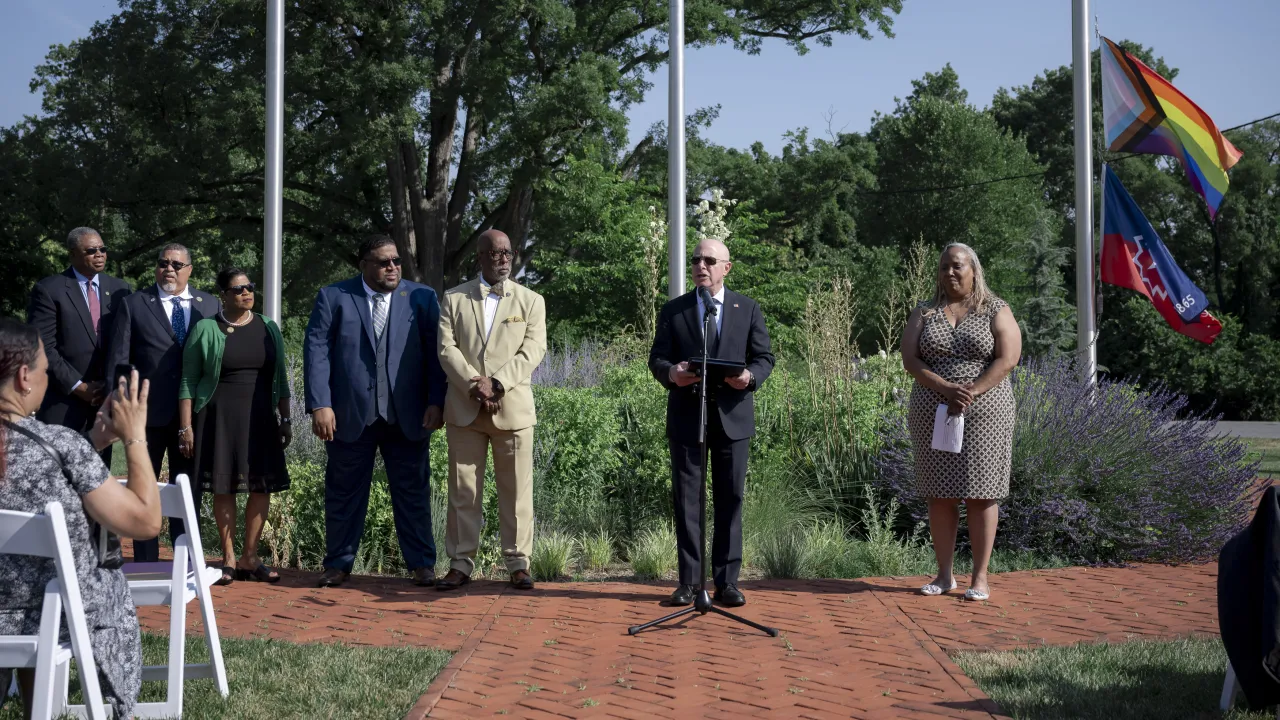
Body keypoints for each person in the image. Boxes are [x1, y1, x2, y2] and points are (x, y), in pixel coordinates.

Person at [0, 317, 160, 719]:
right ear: (24, 377)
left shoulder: (68, 448)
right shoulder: (60, 446)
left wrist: (93, 444)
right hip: (58, 615)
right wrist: (134, 436)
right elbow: (144, 522)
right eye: (45, 371)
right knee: (85, 582)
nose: (46, 379)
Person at [304, 235, 447, 588]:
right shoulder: (334, 296)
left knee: (413, 492)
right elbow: (316, 350)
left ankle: (422, 564)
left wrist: (437, 401)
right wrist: (320, 404)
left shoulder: (421, 298)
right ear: (363, 264)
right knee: (343, 492)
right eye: (383, 262)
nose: (392, 267)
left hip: (408, 415)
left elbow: (436, 354)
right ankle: (338, 564)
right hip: (350, 415)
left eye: (396, 261)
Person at [648, 239, 775, 608]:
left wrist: (750, 378)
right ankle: (688, 583)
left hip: (733, 419)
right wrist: (671, 372)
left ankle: (727, 582)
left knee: (730, 500)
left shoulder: (747, 308)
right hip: (689, 416)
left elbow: (764, 357)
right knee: (688, 501)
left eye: (709, 260)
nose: (701, 265)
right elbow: (657, 358)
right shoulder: (675, 311)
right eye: (696, 260)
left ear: (726, 268)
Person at [901, 243, 1021, 602]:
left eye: (956, 266)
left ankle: (980, 578)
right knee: (939, 493)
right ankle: (943, 575)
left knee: (982, 493)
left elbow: (1009, 357)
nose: (949, 273)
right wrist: (944, 387)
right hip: (933, 410)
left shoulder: (994, 309)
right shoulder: (924, 311)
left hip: (986, 412)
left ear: (974, 271)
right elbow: (910, 358)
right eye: (943, 267)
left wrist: (970, 391)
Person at [436, 229, 547, 592]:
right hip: (465, 409)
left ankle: (518, 563)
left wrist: (497, 383)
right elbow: (446, 349)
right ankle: (460, 563)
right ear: (480, 257)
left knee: (516, 492)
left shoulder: (531, 301)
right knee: (462, 491)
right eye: (495, 253)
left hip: (512, 409)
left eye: (507, 252)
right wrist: (476, 384)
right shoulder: (453, 298)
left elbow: (533, 351)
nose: (502, 259)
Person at [107, 243, 221, 562]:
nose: (168, 269)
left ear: (189, 270)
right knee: (145, 488)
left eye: (176, 264)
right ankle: (145, 559)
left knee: (187, 490)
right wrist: (121, 407)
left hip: (193, 416)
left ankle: (186, 559)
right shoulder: (135, 304)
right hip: (147, 415)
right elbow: (119, 362)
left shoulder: (208, 305)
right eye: (163, 263)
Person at [177, 268, 291, 586]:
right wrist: (185, 427)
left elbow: (280, 377)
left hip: (261, 420)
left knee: (261, 486)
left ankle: (249, 558)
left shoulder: (268, 327)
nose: (246, 292)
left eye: (249, 287)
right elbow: (188, 380)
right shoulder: (206, 328)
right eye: (238, 289)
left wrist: (287, 418)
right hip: (218, 419)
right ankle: (227, 558)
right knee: (224, 486)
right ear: (223, 296)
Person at [27, 227, 132, 446]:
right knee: (60, 473)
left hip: (105, 401)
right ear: (73, 254)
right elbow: (43, 346)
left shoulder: (120, 289)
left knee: (99, 475)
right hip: (63, 402)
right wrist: (78, 386)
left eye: (103, 249)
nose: (100, 254)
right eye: (91, 250)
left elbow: (125, 343)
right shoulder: (49, 290)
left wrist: (112, 385)